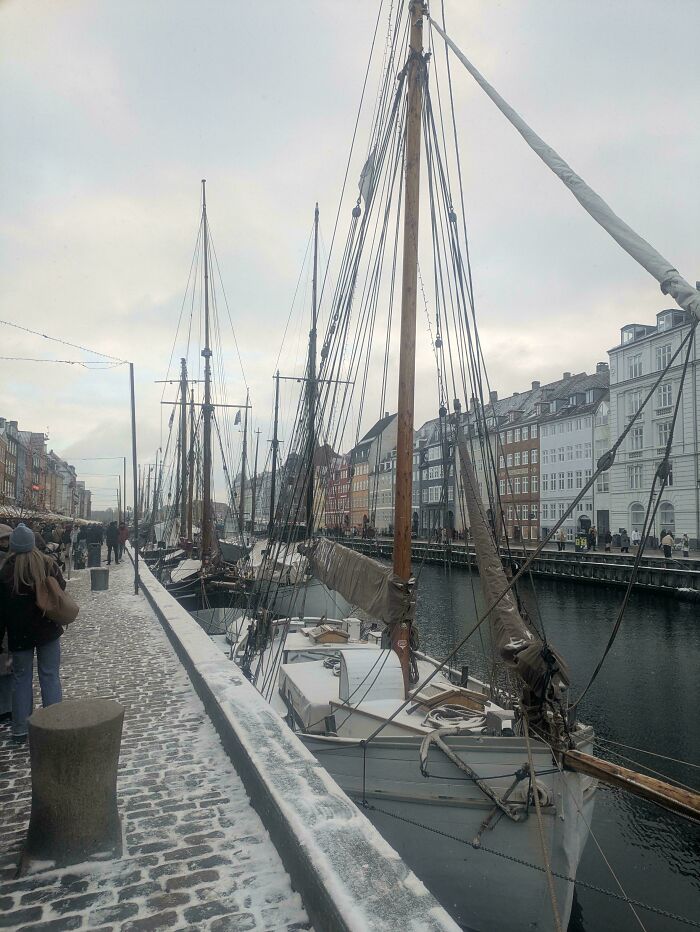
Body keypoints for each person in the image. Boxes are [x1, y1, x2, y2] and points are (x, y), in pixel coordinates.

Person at [0, 523, 65, 743]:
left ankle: (20, 729)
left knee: (21, 680)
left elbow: (0, 609)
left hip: (19, 634)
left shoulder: (7, 571)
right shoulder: (47, 564)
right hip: (47, 629)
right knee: (50, 676)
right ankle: (55, 724)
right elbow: (61, 588)